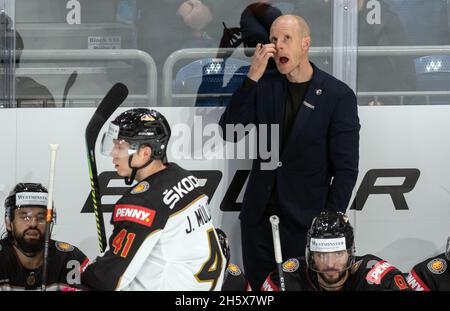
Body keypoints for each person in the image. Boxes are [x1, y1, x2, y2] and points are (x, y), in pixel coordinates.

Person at [219, 14, 360, 290]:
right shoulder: (264, 85)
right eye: (273, 40)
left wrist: (327, 224)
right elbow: (231, 131)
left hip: (306, 224)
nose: (278, 46)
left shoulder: (337, 95)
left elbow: (346, 169)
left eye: (286, 39)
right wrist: (253, 76)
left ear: (305, 44)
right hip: (258, 220)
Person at [81, 108, 226, 290]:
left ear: (145, 153)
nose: (113, 153)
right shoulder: (182, 176)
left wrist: (87, 277)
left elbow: (109, 279)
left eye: (120, 147)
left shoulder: (143, 202)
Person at [261, 211, 409, 291]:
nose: (330, 264)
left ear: (350, 253)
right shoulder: (286, 279)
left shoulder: (378, 278)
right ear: (311, 256)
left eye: (338, 254)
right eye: (322, 255)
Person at [0, 183, 88, 291]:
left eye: (41, 217)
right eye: (25, 217)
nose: (33, 223)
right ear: (9, 223)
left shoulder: (70, 259)